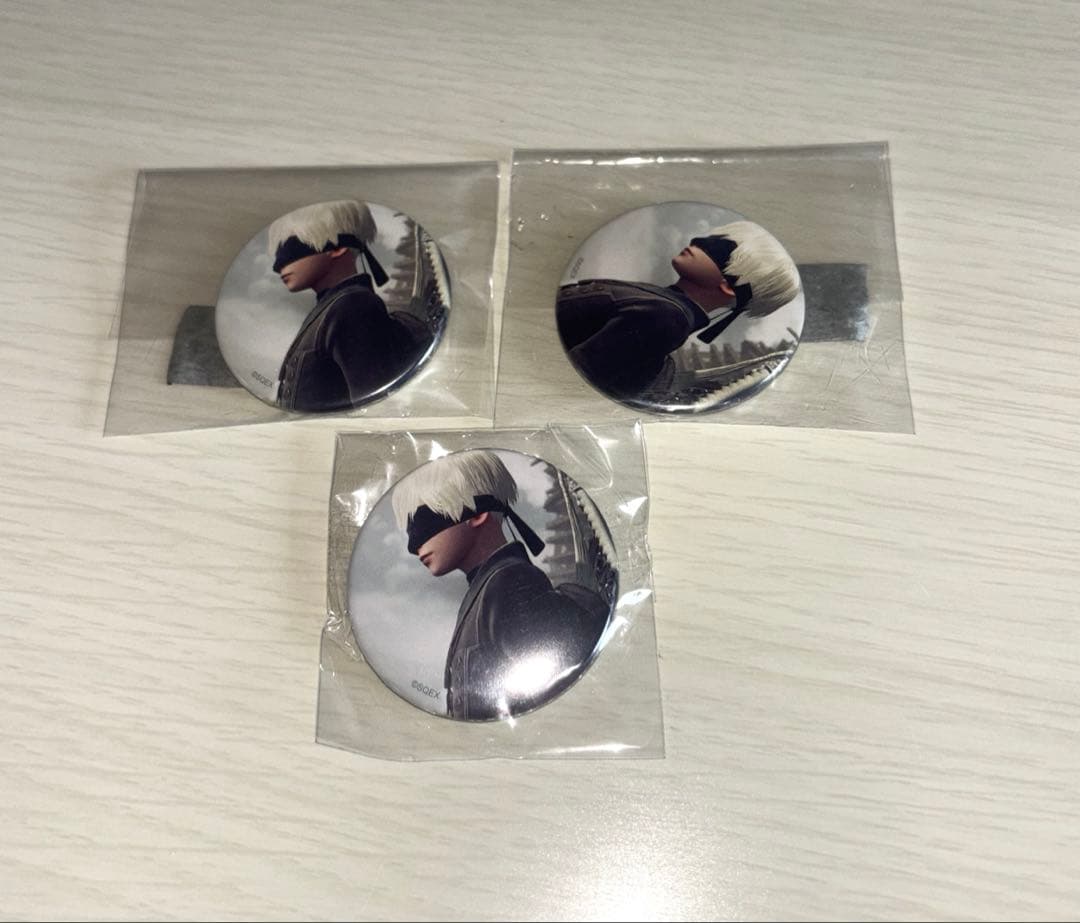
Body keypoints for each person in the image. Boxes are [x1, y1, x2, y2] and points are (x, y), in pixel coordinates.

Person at [391, 450, 610, 721]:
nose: (413, 545)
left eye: (424, 520)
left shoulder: (509, 585)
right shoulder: (488, 589)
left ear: (477, 514)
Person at [556, 220, 801, 397]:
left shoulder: (665, 317)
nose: (697, 242)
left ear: (729, 286)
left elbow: (576, 374)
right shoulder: (662, 305)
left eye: (718, 249)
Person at [268, 199, 430, 412]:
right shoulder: (330, 308)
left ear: (337, 248)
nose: (278, 265)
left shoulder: (353, 307)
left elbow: (375, 409)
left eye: (291, 247)